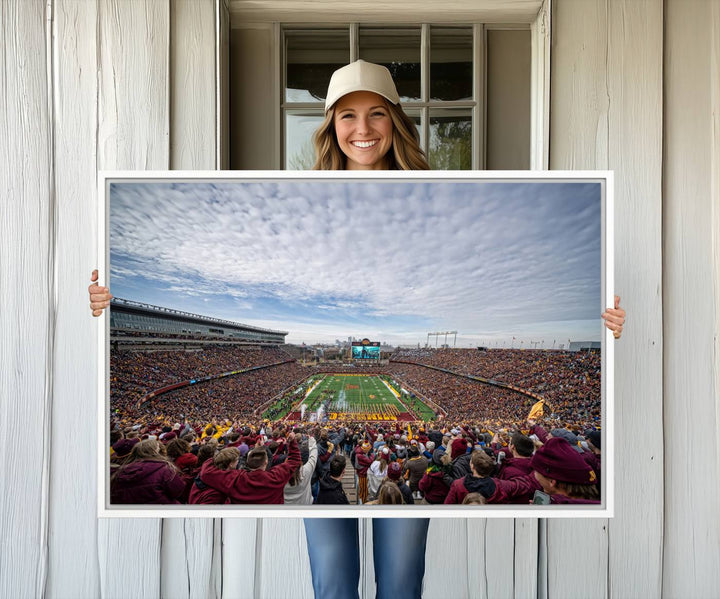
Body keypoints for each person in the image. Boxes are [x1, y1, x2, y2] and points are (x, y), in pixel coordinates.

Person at [89, 59, 626, 598]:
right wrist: (101, 306)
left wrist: (608, 326)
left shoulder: (436, 192)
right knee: (333, 583)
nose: (362, 129)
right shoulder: (307, 193)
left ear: (396, 121)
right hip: (353, 479)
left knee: (399, 583)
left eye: (376, 114)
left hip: (373, 481)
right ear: (330, 126)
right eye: (347, 116)